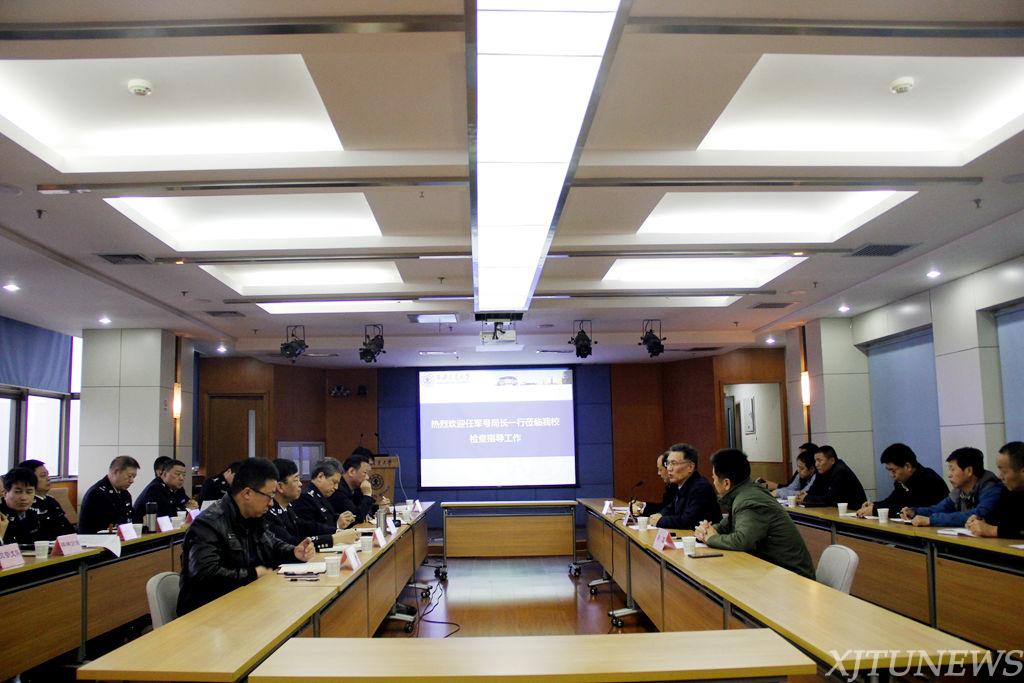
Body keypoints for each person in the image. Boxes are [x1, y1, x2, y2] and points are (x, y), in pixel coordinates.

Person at [176, 458, 315, 615]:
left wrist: (294, 552)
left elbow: (271, 544)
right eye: (269, 496)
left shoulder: (253, 517)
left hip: (243, 602)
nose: (271, 503)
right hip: (206, 612)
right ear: (247, 493)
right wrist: (252, 574)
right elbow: (205, 575)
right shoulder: (209, 523)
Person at [695, 449, 815, 579]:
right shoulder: (745, 493)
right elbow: (726, 526)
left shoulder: (749, 500)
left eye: (714, 478)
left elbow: (742, 541)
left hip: (792, 576)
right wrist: (706, 531)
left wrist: (711, 538)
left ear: (727, 483)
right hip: (774, 570)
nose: (713, 482)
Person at [267, 459, 358, 549]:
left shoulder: (288, 508)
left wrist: (337, 531)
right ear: (280, 487)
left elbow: (307, 526)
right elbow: (291, 542)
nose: (300, 484)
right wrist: (333, 538)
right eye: (296, 480)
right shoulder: (270, 513)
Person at [903, 447, 1002, 527]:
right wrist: (914, 511)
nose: (949, 475)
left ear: (969, 471)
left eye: (953, 469)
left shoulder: (991, 487)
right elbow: (940, 508)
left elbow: (977, 514)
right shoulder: (960, 490)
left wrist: (931, 520)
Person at [856, 443, 948, 517]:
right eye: (889, 471)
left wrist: (875, 510)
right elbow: (892, 501)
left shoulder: (928, 480)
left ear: (907, 466)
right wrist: (873, 505)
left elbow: (910, 509)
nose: (891, 475)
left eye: (893, 470)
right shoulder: (902, 481)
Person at [647, 444, 721, 529]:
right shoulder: (682, 484)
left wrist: (660, 521)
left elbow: (688, 520)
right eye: (667, 463)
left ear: (690, 467)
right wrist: (659, 514)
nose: (669, 468)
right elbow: (671, 507)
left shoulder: (701, 488)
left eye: (674, 463)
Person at [967, 442, 1024, 538]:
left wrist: (993, 531)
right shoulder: (1008, 489)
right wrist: (979, 521)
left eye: (1004, 471)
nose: (1000, 476)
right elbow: (998, 518)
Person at [78, 456, 139, 533]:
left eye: (134, 477)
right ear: (116, 472)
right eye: (129, 476)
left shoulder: (125, 494)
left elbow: (130, 519)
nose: (132, 481)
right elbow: (105, 527)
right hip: (95, 538)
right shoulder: (98, 493)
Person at [795, 446, 867, 508]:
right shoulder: (822, 471)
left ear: (832, 460)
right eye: (815, 461)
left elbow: (831, 499)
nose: (816, 464)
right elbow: (814, 490)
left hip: (853, 510)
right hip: (834, 509)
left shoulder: (841, 471)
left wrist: (807, 498)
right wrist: (804, 495)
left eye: (819, 461)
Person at [292, 460, 353, 532]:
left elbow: (328, 518)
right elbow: (309, 530)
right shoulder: (305, 497)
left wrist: (342, 518)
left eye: (337, 484)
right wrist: (337, 525)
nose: (336, 487)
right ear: (320, 476)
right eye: (334, 482)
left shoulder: (321, 496)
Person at [328, 455, 388, 525]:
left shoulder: (356, 489)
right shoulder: (338, 491)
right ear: (351, 471)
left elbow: (364, 510)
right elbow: (358, 517)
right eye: (365, 473)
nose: (367, 477)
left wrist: (379, 507)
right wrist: (367, 495)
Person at [22, 459, 75, 538]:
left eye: (48, 475)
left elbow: (68, 528)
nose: (48, 478)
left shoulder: (51, 500)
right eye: (43, 476)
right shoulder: (25, 504)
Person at [132, 458, 192, 524]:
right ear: (164, 474)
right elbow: (163, 517)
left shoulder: (178, 489)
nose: (181, 478)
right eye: (177, 474)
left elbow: (187, 505)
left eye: (184, 475)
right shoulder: (155, 489)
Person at [0, 468, 45, 545]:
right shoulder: (1, 515)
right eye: (18, 492)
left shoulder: (36, 512)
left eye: (29, 492)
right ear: (5, 493)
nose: (24, 498)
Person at [635, 451, 675, 516]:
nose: (658, 473)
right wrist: (643, 504)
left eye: (660, 469)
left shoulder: (678, 487)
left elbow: (669, 512)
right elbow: (664, 506)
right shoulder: (671, 485)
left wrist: (639, 510)